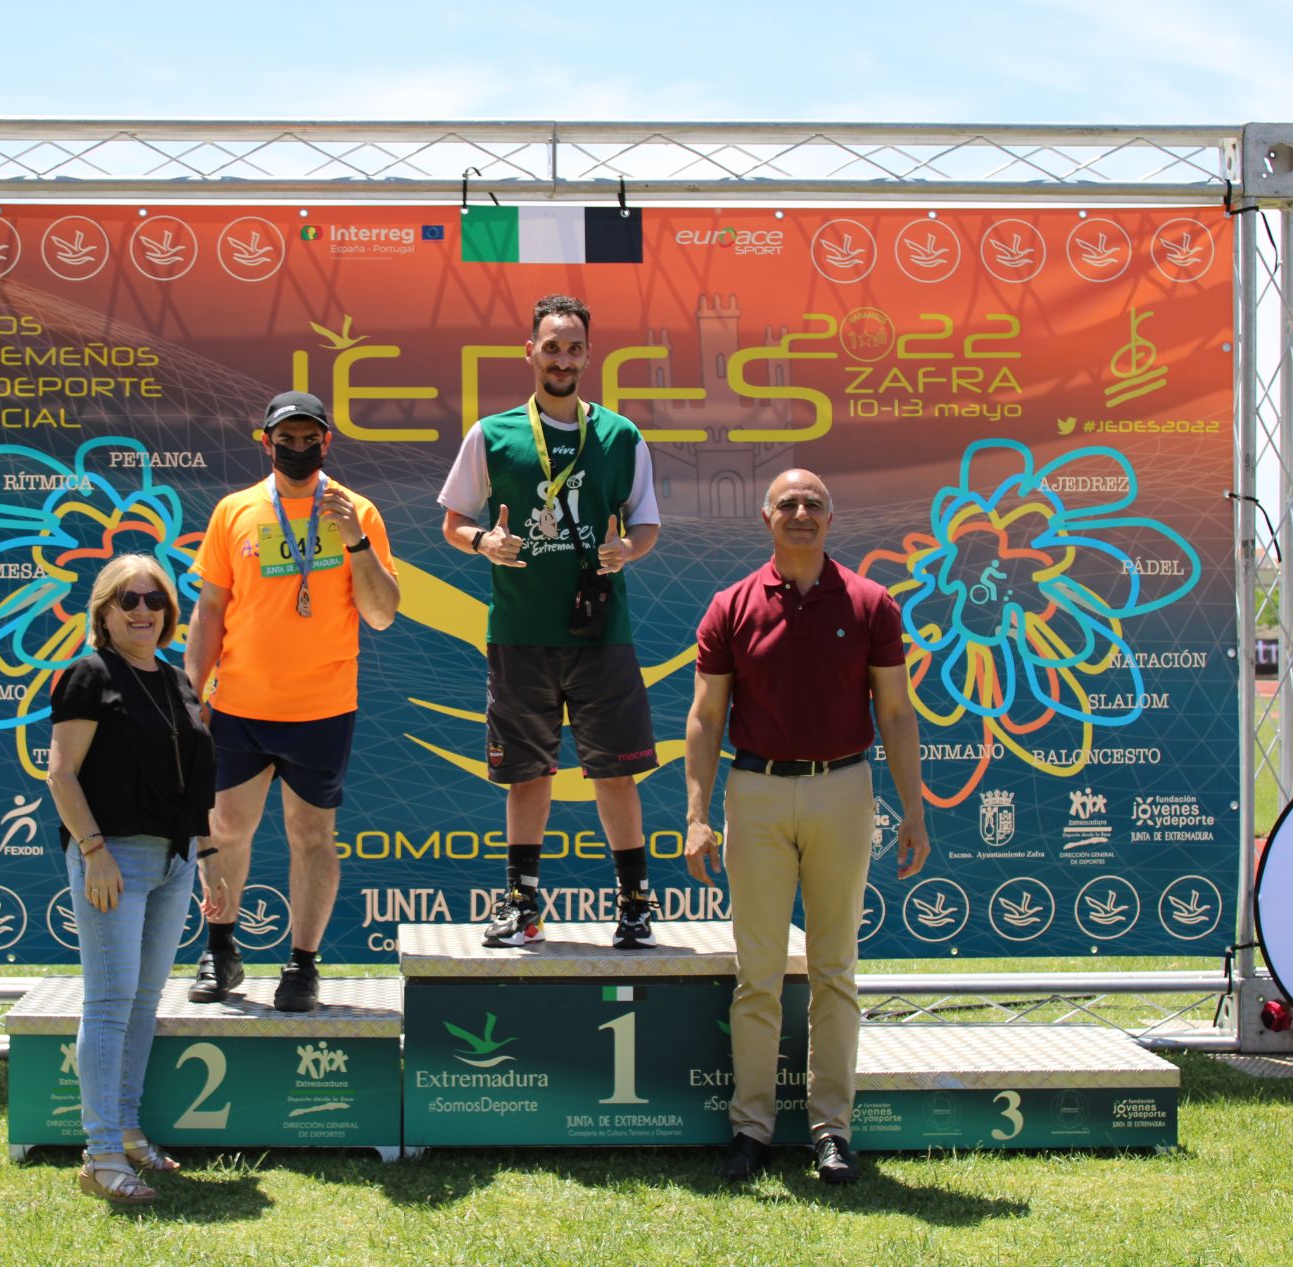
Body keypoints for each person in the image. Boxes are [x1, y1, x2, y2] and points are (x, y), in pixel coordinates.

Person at [684, 469, 932, 1186]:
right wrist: (697, 815)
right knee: (758, 976)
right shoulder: (731, 606)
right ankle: (751, 1131)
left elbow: (895, 712)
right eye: (788, 503)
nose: (801, 512)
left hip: (843, 791)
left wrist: (913, 810)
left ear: (830, 517)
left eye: (813, 504)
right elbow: (705, 717)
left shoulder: (871, 603)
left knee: (834, 971)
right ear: (766, 516)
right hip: (756, 794)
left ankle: (832, 1132)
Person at [436, 294, 663, 950]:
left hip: (600, 634)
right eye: (552, 346)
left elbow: (646, 523)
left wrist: (627, 550)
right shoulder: (492, 434)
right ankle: (522, 906)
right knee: (526, 774)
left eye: (574, 348)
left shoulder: (620, 436)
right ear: (530, 351)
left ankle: (634, 905)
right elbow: (453, 522)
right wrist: (484, 542)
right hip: (520, 632)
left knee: (615, 772)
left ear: (588, 356)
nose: (562, 359)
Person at [183, 390, 400, 1012]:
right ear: (266, 442)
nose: (298, 448)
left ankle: (303, 966)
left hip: (321, 709)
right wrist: (190, 691)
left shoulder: (358, 511)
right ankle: (220, 950)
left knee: (312, 835)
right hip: (240, 704)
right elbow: (211, 608)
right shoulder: (235, 510)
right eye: (287, 439)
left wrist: (355, 541)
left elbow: (382, 614)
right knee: (226, 828)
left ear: (327, 442)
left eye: (310, 439)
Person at [46, 553, 215, 1207]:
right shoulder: (88, 675)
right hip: (112, 858)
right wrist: (94, 851)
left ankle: (126, 1129)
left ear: (169, 611)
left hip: (174, 861)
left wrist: (206, 860)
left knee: (142, 1003)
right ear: (105, 612)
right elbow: (61, 774)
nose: (143, 609)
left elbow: (191, 784)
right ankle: (101, 1154)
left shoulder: (177, 680)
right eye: (129, 599)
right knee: (110, 1004)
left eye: (154, 599)